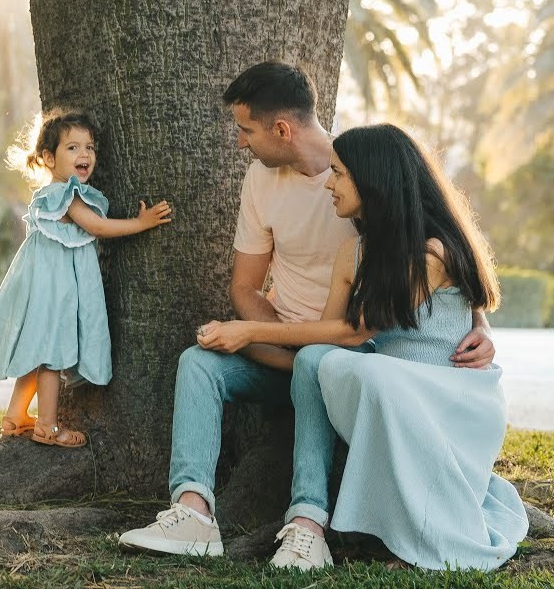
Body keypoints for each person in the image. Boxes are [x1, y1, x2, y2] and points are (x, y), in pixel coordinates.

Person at [117, 62, 496, 557]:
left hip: (351, 357)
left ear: (282, 129)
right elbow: (248, 288)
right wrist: (263, 340)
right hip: (300, 351)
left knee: (318, 361)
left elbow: (430, 276)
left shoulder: (362, 167)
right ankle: (193, 513)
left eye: (246, 130)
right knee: (199, 362)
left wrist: (480, 322)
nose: (239, 143)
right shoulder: (290, 196)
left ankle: (308, 522)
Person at [195, 124, 528, 571]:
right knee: (315, 359)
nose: (329, 185)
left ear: (373, 180)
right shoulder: (352, 254)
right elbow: (326, 335)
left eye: (339, 174)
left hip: (448, 398)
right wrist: (243, 346)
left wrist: (250, 330)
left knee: (360, 367)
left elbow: (354, 333)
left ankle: (408, 537)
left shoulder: (434, 253)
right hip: (388, 392)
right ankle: (307, 519)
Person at [0, 109, 173, 448]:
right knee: (53, 354)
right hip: (55, 289)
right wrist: (142, 223)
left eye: (90, 147)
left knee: (39, 352)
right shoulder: (66, 195)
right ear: (49, 158)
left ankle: (15, 416)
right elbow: (97, 227)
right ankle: (47, 426)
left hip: (41, 286)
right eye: (73, 147)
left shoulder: (51, 193)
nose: (85, 154)